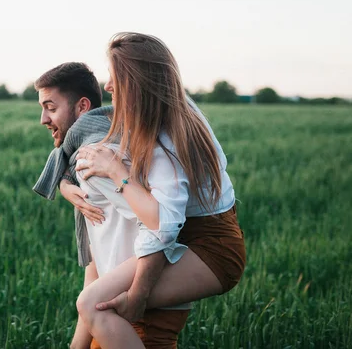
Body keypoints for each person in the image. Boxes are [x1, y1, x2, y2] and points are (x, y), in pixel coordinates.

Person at [69, 32, 246, 348]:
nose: (107, 86)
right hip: (192, 234)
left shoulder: (168, 140)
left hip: (212, 248)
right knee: (96, 301)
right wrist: (65, 185)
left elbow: (163, 226)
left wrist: (116, 172)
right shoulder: (169, 108)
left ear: (136, 85)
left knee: (93, 304)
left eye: (115, 78)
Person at [32, 62, 192, 349]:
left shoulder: (93, 160)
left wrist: (139, 294)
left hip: (138, 309)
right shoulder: (98, 152)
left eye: (51, 107)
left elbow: (159, 227)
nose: (43, 118)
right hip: (117, 302)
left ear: (82, 107)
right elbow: (97, 260)